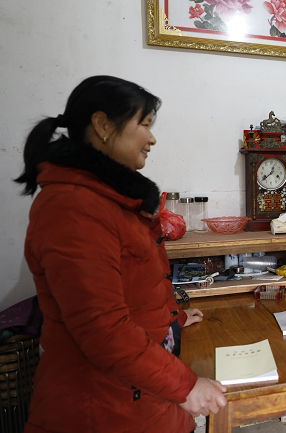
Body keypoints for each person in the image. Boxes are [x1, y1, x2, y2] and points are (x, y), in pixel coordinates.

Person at [15, 76, 227, 433]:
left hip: (142, 395)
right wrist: (187, 387)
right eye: (144, 124)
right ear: (101, 125)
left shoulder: (110, 199)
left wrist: (171, 320)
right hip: (103, 408)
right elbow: (103, 329)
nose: (152, 138)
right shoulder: (73, 207)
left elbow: (134, 286)